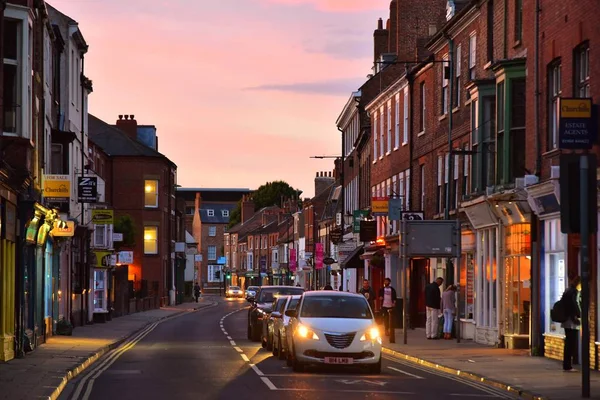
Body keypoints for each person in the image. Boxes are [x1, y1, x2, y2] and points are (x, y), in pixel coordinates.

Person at [562, 276, 582, 371]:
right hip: (572, 321)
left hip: (566, 320)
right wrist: (578, 315)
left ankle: (566, 364)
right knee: (571, 343)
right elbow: (575, 304)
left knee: (568, 342)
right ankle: (568, 366)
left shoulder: (568, 290)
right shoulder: (574, 292)